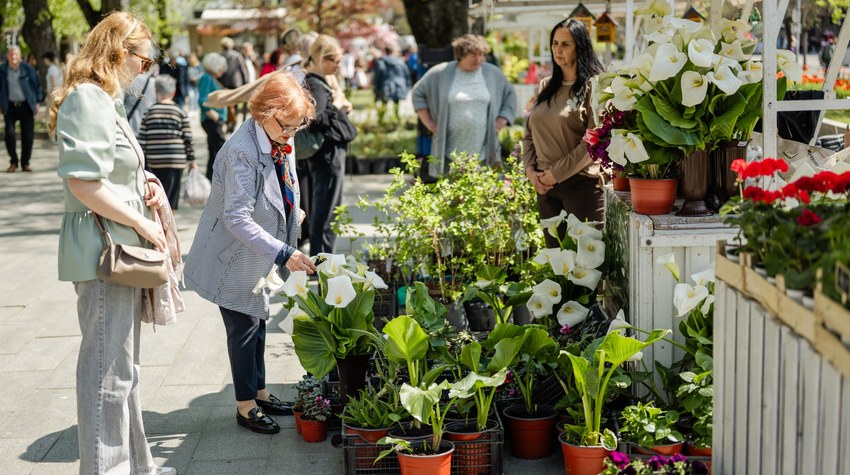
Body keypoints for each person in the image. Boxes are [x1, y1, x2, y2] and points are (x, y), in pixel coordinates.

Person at [47, 11, 176, 475]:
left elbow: (108, 172)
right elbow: (84, 183)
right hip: (107, 253)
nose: (147, 68)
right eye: (144, 59)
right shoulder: (89, 99)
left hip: (115, 250)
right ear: (121, 52)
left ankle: (138, 466)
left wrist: (144, 184)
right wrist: (145, 226)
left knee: (121, 372)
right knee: (109, 373)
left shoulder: (104, 99)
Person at [184, 72, 317, 434]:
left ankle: (259, 392)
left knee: (256, 322)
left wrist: (293, 212)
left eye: (297, 125)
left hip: (257, 251)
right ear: (264, 113)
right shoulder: (241, 150)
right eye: (287, 125)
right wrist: (285, 252)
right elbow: (236, 217)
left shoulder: (277, 136)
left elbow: (279, 186)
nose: (292, 133)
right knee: (243, 327)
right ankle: (245, 405)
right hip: (234, 254)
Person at [521, 18, 604, 248]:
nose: (558, 49)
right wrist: (531, 172)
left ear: (580, 46)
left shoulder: (594, 87)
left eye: (565, 44)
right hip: (545, 188)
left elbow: (592, 143)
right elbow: (528, 135)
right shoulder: (545, 86)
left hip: (581, 187)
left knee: (585, 266)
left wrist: (555, 173)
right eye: (555, 43)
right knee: (557, 265)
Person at [411, 34, 516, 178]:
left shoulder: (493, 73)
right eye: (473, 55)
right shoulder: (442, 72)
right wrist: (429, 123)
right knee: (452, 194)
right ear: (461, 54)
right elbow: (418, 92)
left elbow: (510, 95)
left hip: (483, 149)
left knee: (482, 193)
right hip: (449, 150)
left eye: (481, 55)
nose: (478, 60)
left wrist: (501, 120)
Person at [303, 35, 353, 255]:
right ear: (322, 58)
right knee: (327, 208)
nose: (338, 65)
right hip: (328, 154)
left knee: (326, 206)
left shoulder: (316, 83)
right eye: (336, 60)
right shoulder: (316, 84)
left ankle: (322, 256)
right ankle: (322, 259)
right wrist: (339, 106)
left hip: (327, 154)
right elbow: (316, 119)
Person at [138, 75, 195, 210]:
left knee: (156, 194)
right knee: (172, 198)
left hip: (155, 161)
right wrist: (192, 160)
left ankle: (159, 221)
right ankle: (170, 222)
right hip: (176, 161)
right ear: (173, 92)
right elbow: (188, 138)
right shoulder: (179, 112)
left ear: (156, 92)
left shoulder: (149, 112)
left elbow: (142, 140)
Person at [1, 45, 41, 173]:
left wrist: (38, 102)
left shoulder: (28, 69)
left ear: (20, 56)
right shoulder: (2, 70)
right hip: (10, 106)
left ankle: (25, 163)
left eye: (16, 54)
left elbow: (37, 86)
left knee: (28, 136)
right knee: (9, 135)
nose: (13, 57)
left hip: (26, 106)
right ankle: (14, 161)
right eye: (11, 54)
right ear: (7, 56)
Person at [197, 52, 228, 180]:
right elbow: (202, 100)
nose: (223, 70)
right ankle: (217, 178)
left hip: (213, 120)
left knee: (214, 150)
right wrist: (215, 115)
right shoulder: (207, 78)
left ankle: (212, 178)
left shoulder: (209, 77)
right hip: (211, 120)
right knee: (220, 149)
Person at [372, 46, 411, 118]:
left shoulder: (381, 61)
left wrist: (376, 87)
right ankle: (396, 119)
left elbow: (378, 75)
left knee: (384, 103)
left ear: (385, 51)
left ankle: (381, 119)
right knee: (396, 103)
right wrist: (408, 85)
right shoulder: (400, 61)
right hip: (399, 84)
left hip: (386, 84)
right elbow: (406, 73)